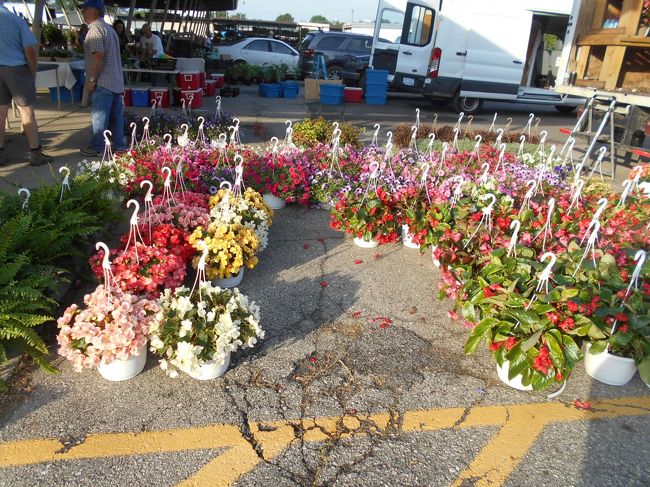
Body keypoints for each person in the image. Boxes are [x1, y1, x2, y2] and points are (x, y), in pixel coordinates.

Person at [0, 2, 53, 166]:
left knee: (0, 113)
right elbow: (30, 51)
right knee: (26, 111)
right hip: (16, 68)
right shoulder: (15, 19)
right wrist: (32, 73)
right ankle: (35, 153)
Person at [79, 0, 125, 156]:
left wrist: (91, 80)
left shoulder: (95, 30)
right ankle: (120, 146)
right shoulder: (109, 29)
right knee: (116, 117)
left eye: (85, 9)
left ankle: (98, 147)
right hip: (116, 81)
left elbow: (98, 56)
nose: (83, 12)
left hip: (103, 82)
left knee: (99, 117)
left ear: (95, 11)